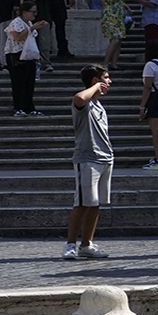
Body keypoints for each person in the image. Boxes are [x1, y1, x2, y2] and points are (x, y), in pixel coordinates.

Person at [65, 65, 115, 259]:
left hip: (105, 158)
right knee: (82, 203)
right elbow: (78, 99)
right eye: (106, 78)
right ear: (96, 81)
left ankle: (87, 244)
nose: (110, 82)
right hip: (87, 158)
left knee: (95, 204)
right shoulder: (84, 104)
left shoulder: (99, 105)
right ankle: (70, 244)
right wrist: (96, 87)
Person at [6, 3, 44, 116]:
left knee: (29, 83)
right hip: (16, 55)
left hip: (28, 55)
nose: (35, 14)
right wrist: (32, 28)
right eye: (33, 12)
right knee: (18, 83)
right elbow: (17, 37)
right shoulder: (16, 23)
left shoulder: (28, 23)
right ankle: (18, 107)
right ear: (24, 12)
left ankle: (29, 107)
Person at [100, 0, 128, 66]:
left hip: (118, 17)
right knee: (115, 39)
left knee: (119, 41)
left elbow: (120, 2)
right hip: (110, 17)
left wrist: (127, 8)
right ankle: (105, 63)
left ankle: (114, 64)